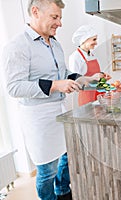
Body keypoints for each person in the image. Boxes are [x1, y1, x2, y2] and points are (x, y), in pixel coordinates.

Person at [0, 0, 104, 199]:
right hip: (38, 119)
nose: (60, 23)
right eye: (55, 17)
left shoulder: (54, 43)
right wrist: (55, 85)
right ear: (35, 12)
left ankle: (63, 193)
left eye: (60, 18)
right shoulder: (17, 46)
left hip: (60, 112)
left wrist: (84, 79)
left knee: (65, 158)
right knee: (47, 172)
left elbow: (63, 72)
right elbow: (14, 87)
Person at [69, 25, 111, 106]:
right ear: (84, 40)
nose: (96, 43)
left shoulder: (91, 54)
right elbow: (75, 83)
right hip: (86, 97)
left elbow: (94, 74)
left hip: (98, 94)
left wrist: (102, 76)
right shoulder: (75, 57)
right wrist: (93, 79)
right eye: (94, 39)